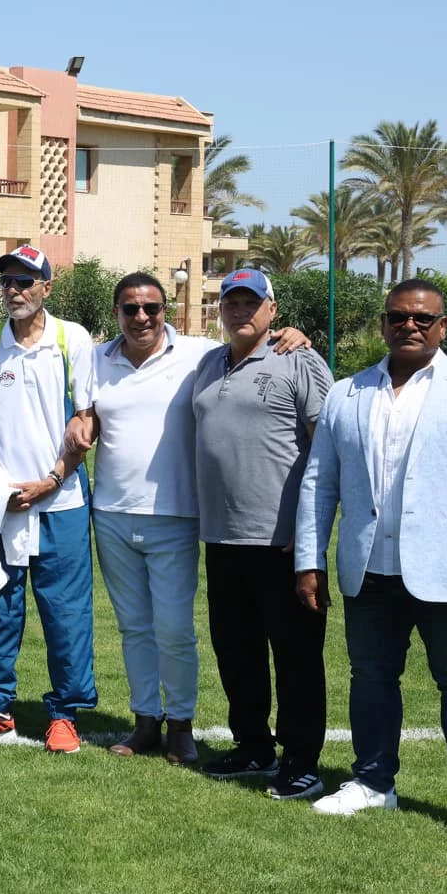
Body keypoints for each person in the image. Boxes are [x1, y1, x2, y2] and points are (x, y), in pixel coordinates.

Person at [297, 279, 447, 843]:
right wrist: (310, 559)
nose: (410, 326)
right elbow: (319, 484)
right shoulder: (347, 393)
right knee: (371, 678)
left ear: (442, 327)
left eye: (423, 319)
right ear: (384, 324)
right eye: (399, 317)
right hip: (369, 567)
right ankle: (374, 781)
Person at [0, 244, 96, 753]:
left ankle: (65, 715)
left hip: (62, 501)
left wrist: (52, 479)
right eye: (7, 281)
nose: (14, 290)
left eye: (25, 281)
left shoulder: (71, 339)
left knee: (66, 614)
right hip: (2, 506)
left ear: (46, 288)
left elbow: (85, 423)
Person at [191, 268, 332, 799]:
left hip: (284, 542)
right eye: (232, 301)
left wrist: (312, 533)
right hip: (222, 539)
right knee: (237, 650)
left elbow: (327, 451)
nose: (241, 310)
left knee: (295, 657)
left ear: (272, 310)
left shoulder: (300, 360)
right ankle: (253, 745)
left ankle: (301, 761)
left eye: (253, 302)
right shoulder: (207, 363)